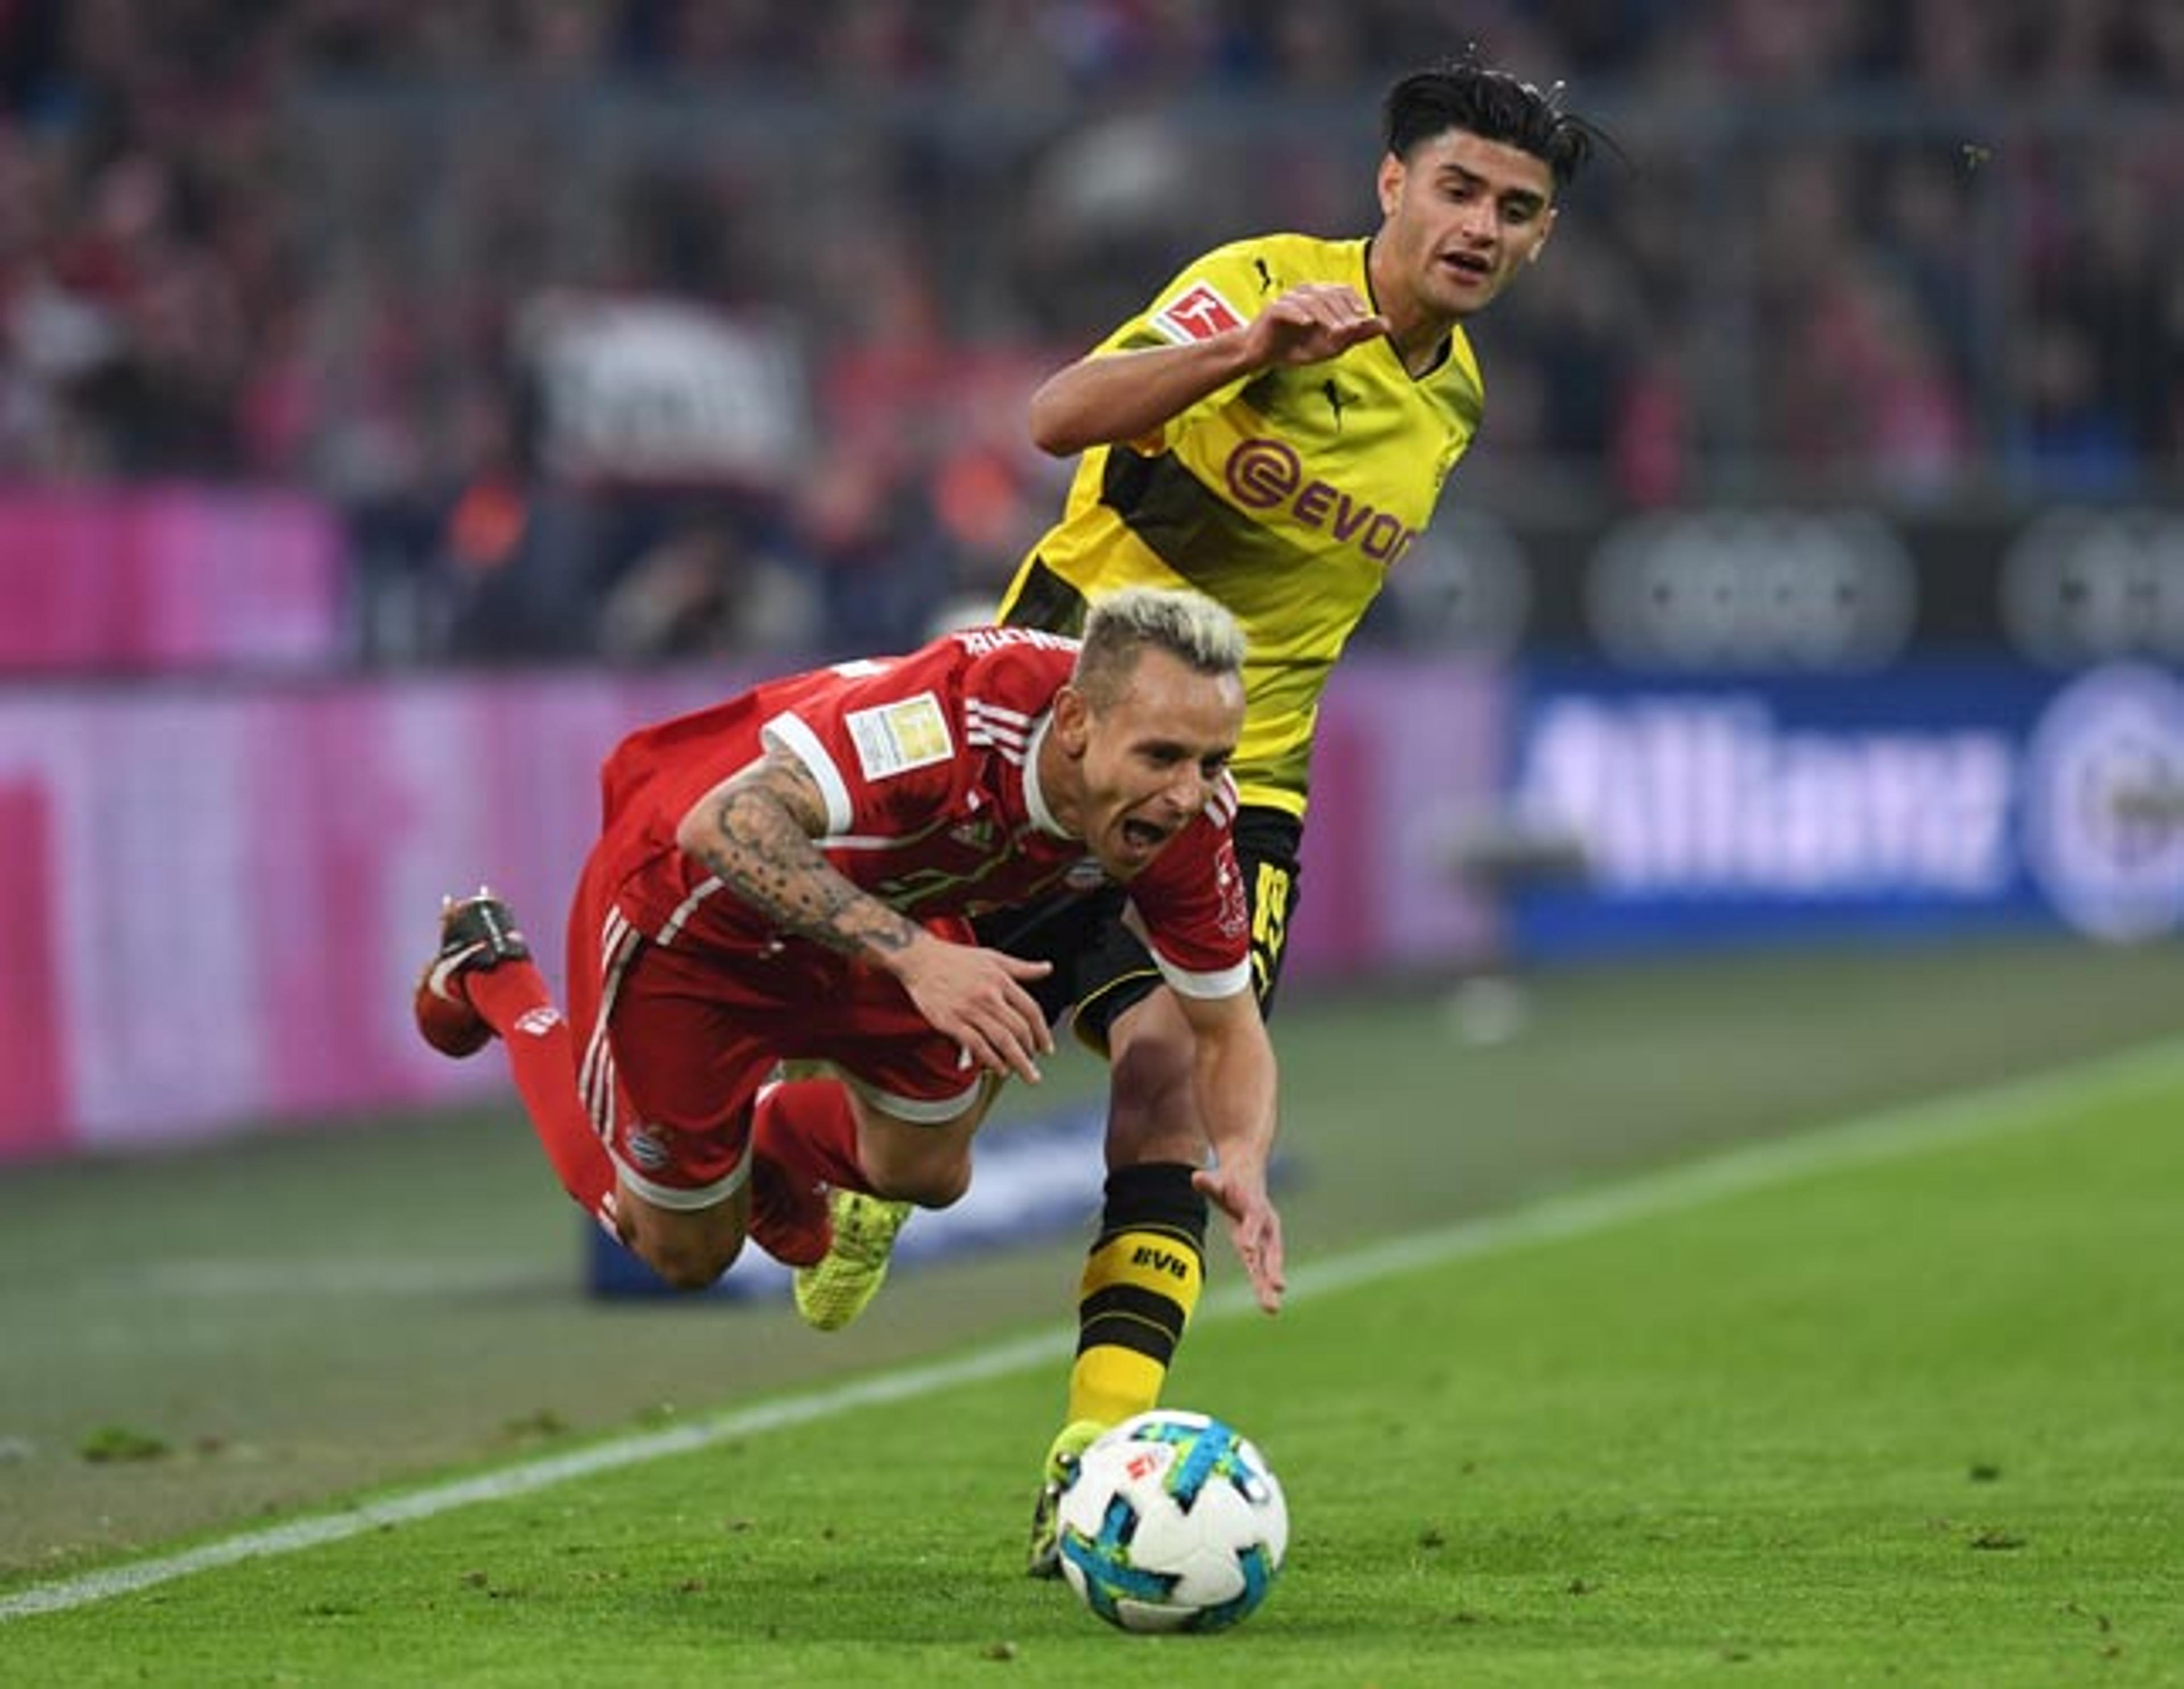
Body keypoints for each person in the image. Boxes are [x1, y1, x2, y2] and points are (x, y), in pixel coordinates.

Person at [790, 54, 1601, 1576]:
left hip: (1239, 786)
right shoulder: (1257, 287)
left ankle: (1094, 1456)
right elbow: (1057, 414)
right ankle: (872, 1167)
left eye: (1518, 209)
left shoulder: (1461, 401)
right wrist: (1238, 354)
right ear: (1391, 189)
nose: (1483, 226)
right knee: (933, 1118)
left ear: (1541, 238)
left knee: (1168, 1061)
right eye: (1459, 190)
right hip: (1057, 730)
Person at [411, 586, 1286, 1324]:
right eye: (1163, 756)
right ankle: (493, 974)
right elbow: (725, 824)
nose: (1187, 794)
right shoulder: (946, 723)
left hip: (871, 913)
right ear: (1073, 723)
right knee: (682, 1251)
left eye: (1212, 760)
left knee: (929, 1171)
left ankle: (755, 1140)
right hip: (696, 916)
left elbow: (1227, 1022)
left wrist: (1241, 1151)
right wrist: (921, 961)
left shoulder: (1191, 815)